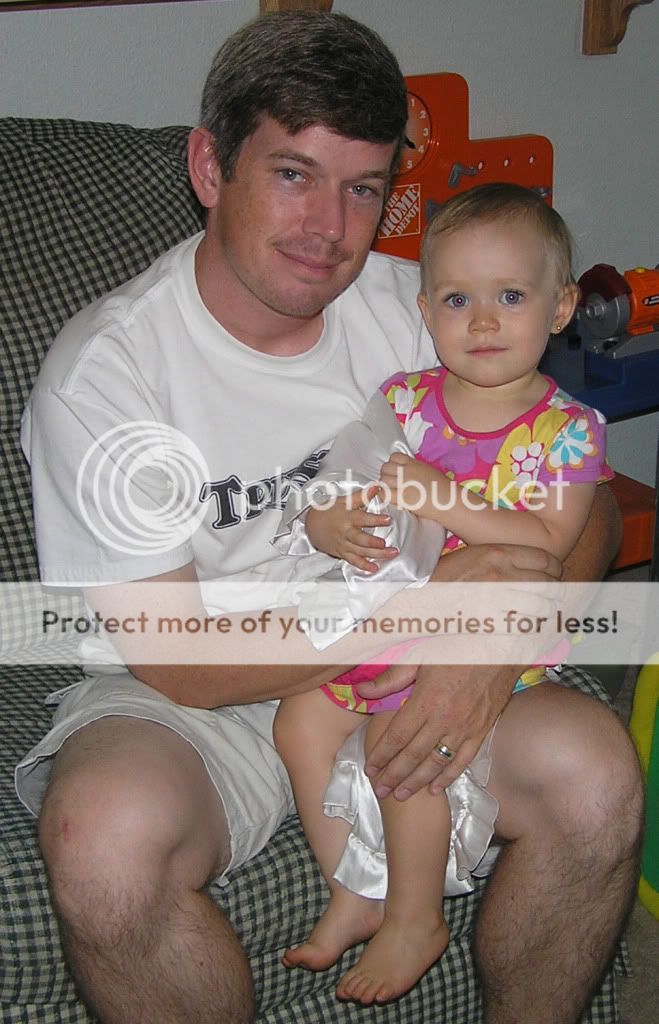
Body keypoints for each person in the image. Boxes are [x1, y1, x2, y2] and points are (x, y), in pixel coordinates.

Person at [14, 11, 641, 1024]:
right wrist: (422, 613)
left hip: (408, 653)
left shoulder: (425, 309)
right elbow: (178, 660)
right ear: (210, 167)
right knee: (103, 840)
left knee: (597, 777)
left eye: (362, 188)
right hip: (208, 682)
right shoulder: (109, 378)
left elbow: (589, 507)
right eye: (292, 174)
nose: (329, 228)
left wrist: (495, 637)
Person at [273, 183, 614, 1005]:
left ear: (560, 307)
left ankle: (415, 917)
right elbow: (344, 479)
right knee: (300, 719)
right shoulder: (403, 400)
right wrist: (328, 523)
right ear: (425, 311)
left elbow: (546, 543)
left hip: (487, 634)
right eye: (458, 300)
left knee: (400, 734)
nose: (483, 321)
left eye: (511, 297)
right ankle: (354, 887)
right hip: (395, 609)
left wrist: (442, 498)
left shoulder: (567, 431)